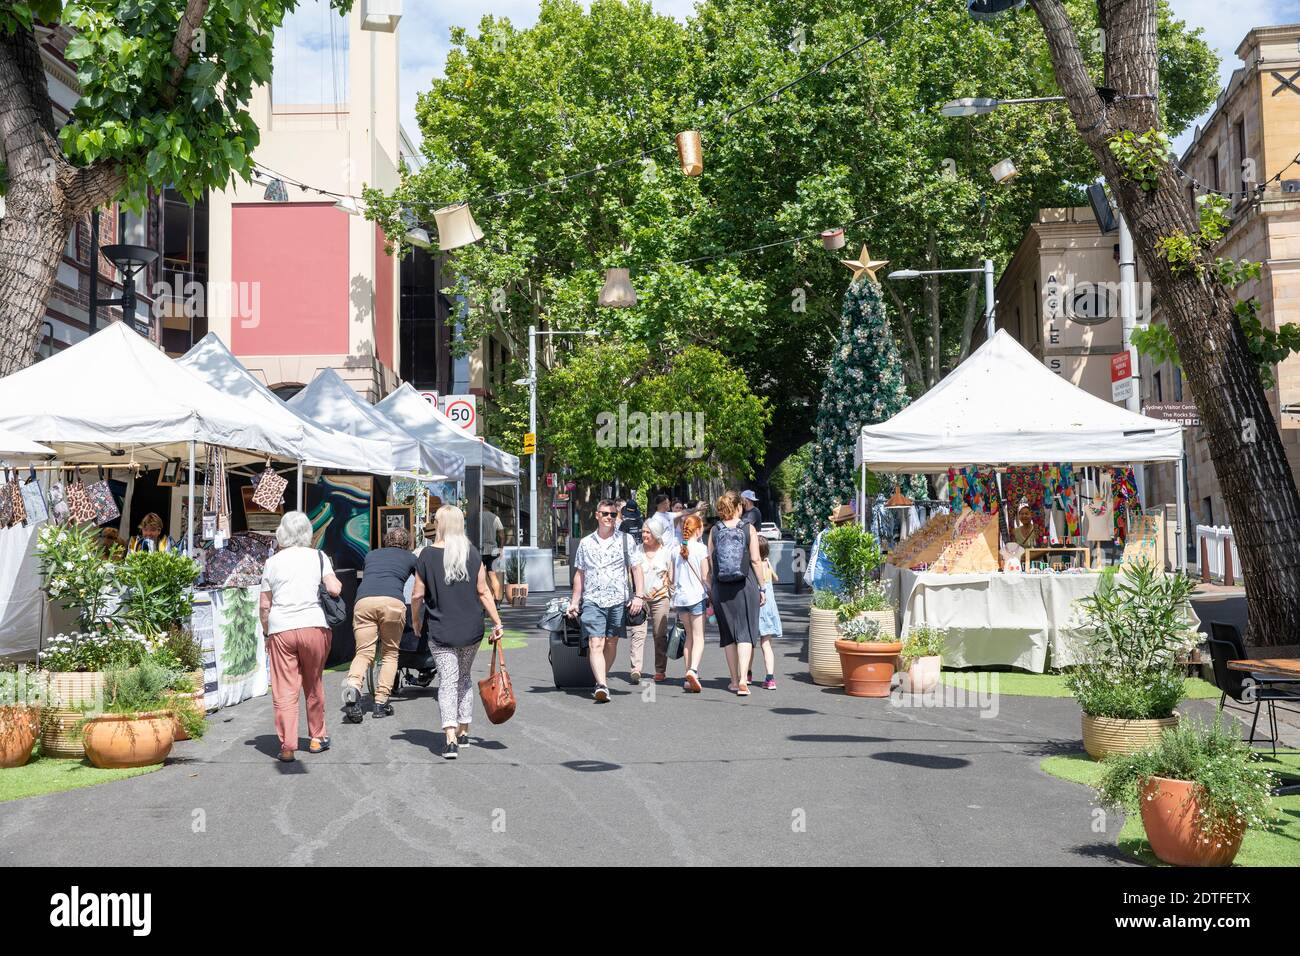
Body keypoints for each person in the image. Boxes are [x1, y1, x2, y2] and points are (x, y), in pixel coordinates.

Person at [411, 505, 504, 760]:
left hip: (441, 629)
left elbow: (417, 594)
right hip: (471, 629)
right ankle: (464, 730)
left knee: (447, 681)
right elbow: (484, 592)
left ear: (441, 524)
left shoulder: (427, 556)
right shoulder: (472, 554)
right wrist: (497, 621)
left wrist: (415, 619)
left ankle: (450, 737)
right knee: (464, 677)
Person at [259, 511, 342, 762]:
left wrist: (266, 632)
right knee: (313, 682)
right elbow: (334, 588)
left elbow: (264, 605)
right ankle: (317, 737)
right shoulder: (319, 557)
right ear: (308, 532)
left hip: (281, 628)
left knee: (285, 689)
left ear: (282, 533)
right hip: (314, 626)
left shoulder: (272, 562)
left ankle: (287, 746)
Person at [567, 498, 645, 702]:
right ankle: (601, 684)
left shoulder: (626, 540)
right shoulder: (585, 543)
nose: (609, 518)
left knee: (611, 642)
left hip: (618, 600)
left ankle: (601, 679)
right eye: (605, 514)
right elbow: (580, 574)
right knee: (596, 642)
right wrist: (575, 601)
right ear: (597, 515)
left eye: (612, 514)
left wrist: (639, 596)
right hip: (593, 599)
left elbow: (636, 569)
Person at [342, 526, 417, 723]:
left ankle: (353, 686)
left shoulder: (372, 555)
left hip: (364, 602)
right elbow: (421, 582)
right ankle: (381, 703)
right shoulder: (410, 558)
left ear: (385, 541)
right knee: (390, 653)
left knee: (364, 653)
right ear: (407, 543)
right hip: (392, 602)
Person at [709, 491, 765, 696]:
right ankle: (743, 680)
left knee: (729, 635)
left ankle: (733, 680)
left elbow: (710, 562)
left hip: (721, 587)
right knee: (745, 632)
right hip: (745, 585)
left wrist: (710, 588)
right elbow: (756, 560)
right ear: (739, 507)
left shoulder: (715, 530)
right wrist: (763, 587)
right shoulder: (748, 528)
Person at [628, 522, 674, 683]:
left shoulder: (666, 553)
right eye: (643, 531)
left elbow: (671, 576)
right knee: (637, 634)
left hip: (661, 598)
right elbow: (630, 574)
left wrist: (673, 597)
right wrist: (632, 595)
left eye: (648, 532)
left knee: (659, 635)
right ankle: (636, 669)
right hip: (639, 599)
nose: (644, 535)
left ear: (657, 534)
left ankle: (660, 670)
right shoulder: (636, 551)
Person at [670, 513, 710, 693]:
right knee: (699, 636)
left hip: (680, 598)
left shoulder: (675, 549)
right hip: (696, 596)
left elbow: (670, 578)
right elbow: (704, 576)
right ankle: (693, 670)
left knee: (689, 637)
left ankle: (688, 674)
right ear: (699, 529)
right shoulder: (701, 549)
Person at [755, 535, 782, 689]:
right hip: (770, 607)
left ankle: (748, 673)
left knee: (750, 643)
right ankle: (770, 677)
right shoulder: (767, 563)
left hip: (758, 605)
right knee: (766, 644)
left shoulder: (755, 565)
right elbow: (776, 578)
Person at [480, 505, 505, 592]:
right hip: (493, 550)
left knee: (480, 575)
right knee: (493, 576)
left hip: (481, 550)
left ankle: (482, 600)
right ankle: (497, 602)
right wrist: (501, 549)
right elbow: (502, 535)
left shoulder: (478, 516)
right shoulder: (495, 518)